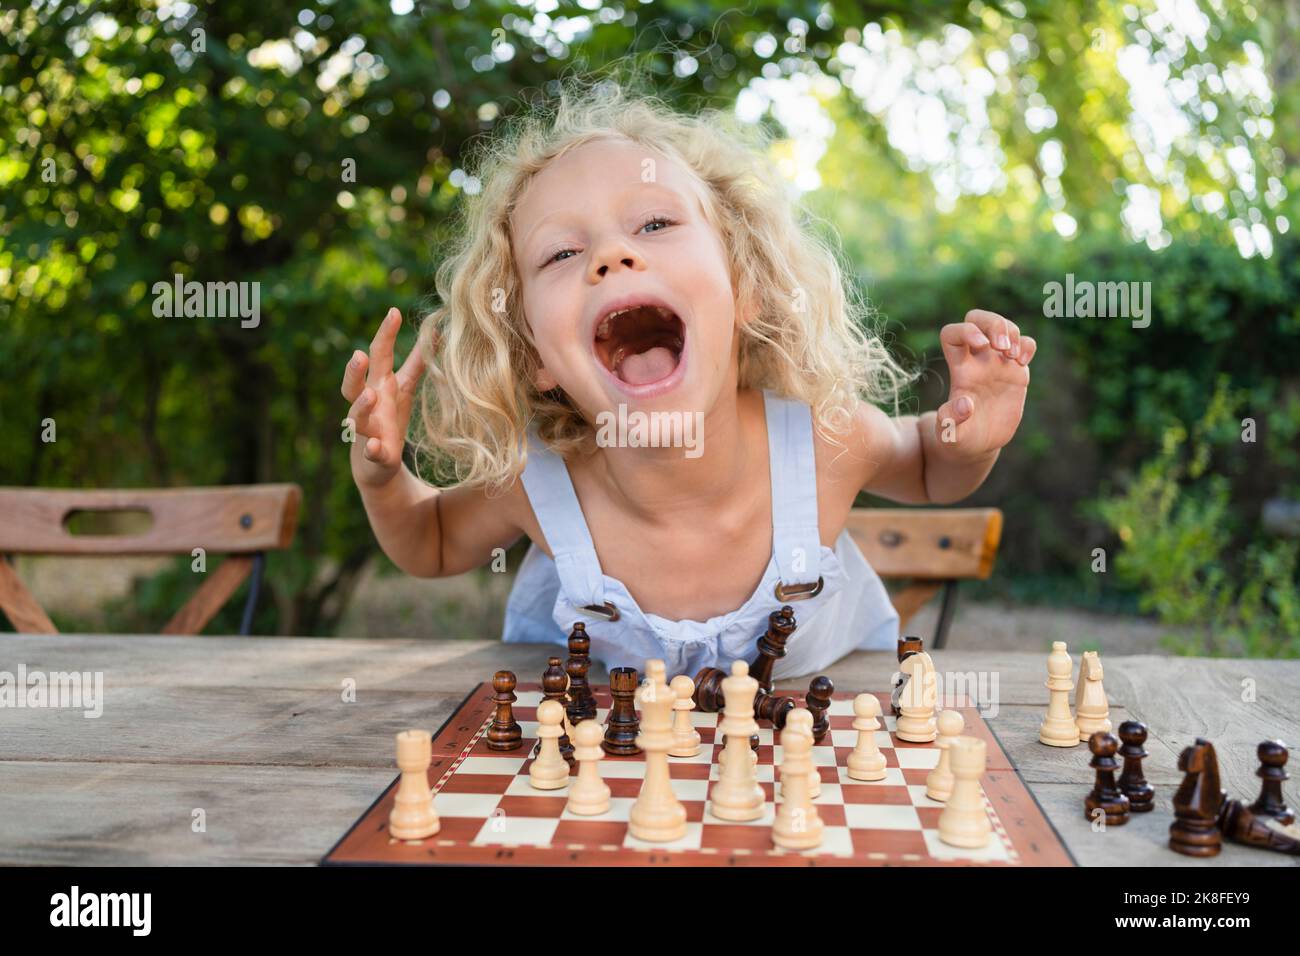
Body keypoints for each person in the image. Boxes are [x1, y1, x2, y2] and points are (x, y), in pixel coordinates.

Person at [339, 78, 1036, 679]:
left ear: (746, 288)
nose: (611, 255)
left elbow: (924, 470)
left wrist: (966, 436)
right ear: (533, 357)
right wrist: (382, 478)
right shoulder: (539, 484)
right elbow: (429, 542)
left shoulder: (824, 442)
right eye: (561, 252)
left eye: (655, 222)